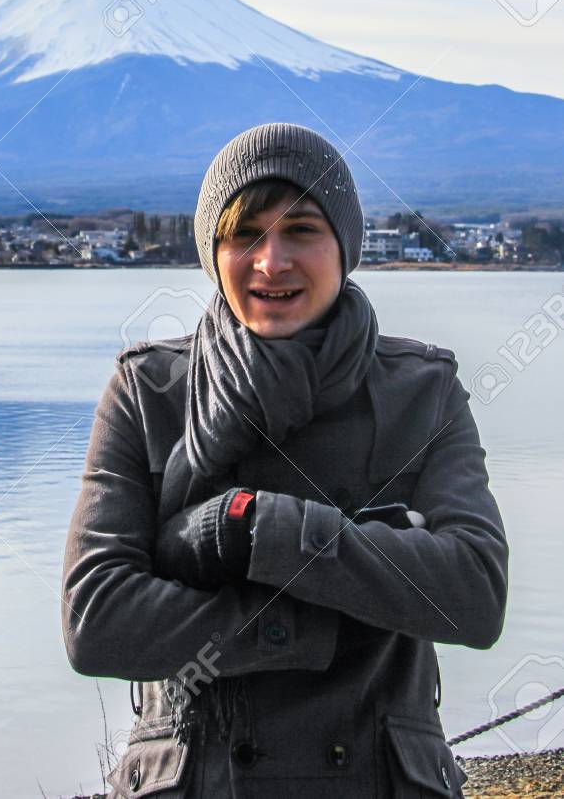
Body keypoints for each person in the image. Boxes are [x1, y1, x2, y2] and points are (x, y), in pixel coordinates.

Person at [61, 122, 508, 797]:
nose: (272, 262)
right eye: (245, 235)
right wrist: (318, 619)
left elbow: (474, 594)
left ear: (345, 245)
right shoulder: (149, 391)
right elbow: (97, 620)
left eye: (301, 229)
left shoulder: (421, 390)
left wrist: (254, 529)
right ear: (214, 254)